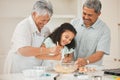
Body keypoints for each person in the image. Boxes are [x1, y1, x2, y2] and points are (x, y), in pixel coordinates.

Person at [4, 0, 60, 73]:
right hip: (18, 67)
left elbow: (47, 46)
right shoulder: (24, 26)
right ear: (34, 14)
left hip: (33, 69)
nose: (45, 23)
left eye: (48, 20)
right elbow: (23, 50)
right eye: (43, 20)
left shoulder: (46, 30)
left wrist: (54, 56)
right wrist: (49, 50)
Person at [71, 0, 111, 68]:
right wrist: (69, 56)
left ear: (98, 14)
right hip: (73, 67)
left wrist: (85, 61)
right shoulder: (74, 23)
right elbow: (68, 44)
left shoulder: (104, 30)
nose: (86, 17)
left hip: (91, 69)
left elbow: (99, 54)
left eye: (90, 15)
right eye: (84, 13)